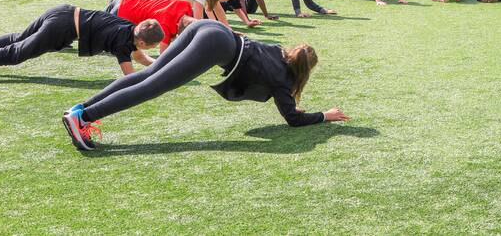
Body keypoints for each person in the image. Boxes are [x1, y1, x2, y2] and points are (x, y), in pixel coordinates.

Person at [61, 19, 350, 151]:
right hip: (214, 44)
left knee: (146, 76)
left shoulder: (277, 49)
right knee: (153, 86)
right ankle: (83, 117)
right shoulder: (283, 81)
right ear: (304, 72)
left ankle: (80, 109)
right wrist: (325, 115)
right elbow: (293, 118)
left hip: (208, 27)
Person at [0, 4, 163, 75]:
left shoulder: (128, 28)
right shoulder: (123, 43)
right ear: (141, 43)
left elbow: (140, 57)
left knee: (20, 38)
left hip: (62, 11)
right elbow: (130, 76)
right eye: (153, 46)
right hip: (61, 27)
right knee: (17, 53)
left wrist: (163, 65)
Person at [104, 0, 195, 62]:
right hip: (122, 13)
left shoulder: (186, 5)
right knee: (101, 39)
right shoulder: (165, 27)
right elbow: (164, 57)